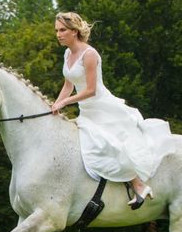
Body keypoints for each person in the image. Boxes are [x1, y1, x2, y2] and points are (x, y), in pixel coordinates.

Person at [51, 12, 175, 209]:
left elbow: (90, 90)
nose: (58, 34)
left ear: (74, 32)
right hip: (87, 110)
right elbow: (68, 85)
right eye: (57, 30)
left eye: (62, 30)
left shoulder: (89, 54)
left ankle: (139, 185)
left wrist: (65, 104)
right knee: (92, 150)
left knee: (109, 145)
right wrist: (54, 105)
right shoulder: (67, 54)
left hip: (102, 107)